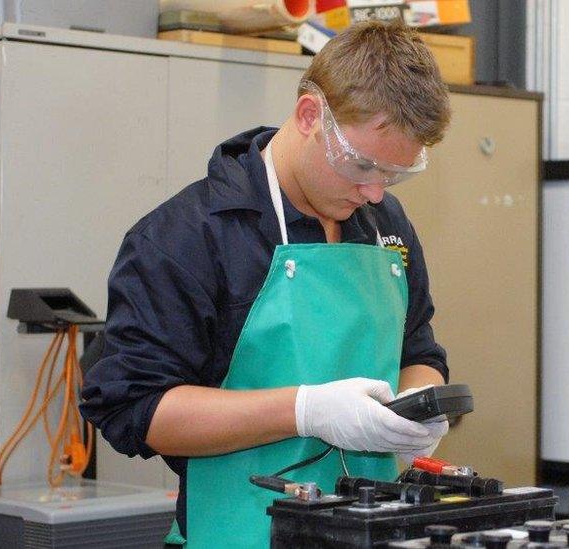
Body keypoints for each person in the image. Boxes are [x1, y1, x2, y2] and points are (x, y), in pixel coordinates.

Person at [80, 20, 452, 547]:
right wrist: (308, 411)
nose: (374, 193)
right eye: (363, 166)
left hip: (371, 530)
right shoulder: (186, 238)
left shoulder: (385, 227)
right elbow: (135, 408)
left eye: (393, 176)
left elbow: (419, 349)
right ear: (309, 116)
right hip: (240, 531)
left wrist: (418, 407)